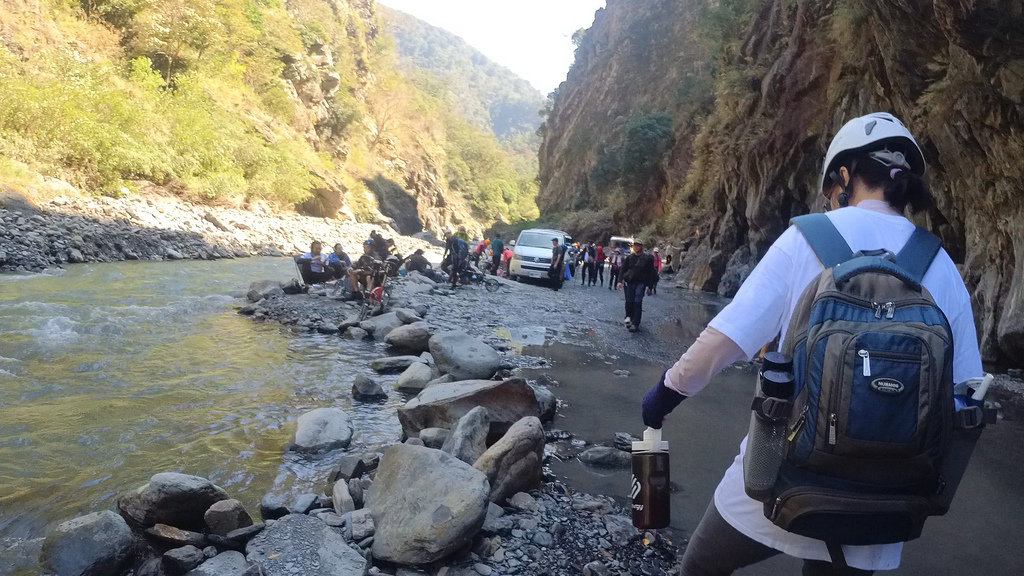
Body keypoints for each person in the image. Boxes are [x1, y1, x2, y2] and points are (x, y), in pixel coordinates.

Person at [640, 112, 983, 575]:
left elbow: (726, 338)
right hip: (887, 506)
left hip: (778, 479)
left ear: (844, 176)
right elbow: (967, 395)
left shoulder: (805, 238)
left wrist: (665, 394)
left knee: (700, 568)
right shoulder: (939, 263)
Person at [617, 239, 656, 331]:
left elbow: (651, 273)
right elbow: (623, 269)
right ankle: (629, 317)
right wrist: (619, 281)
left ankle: (635, 323)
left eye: (638, 245)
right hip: (630, 282)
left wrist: (650, 287)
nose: (636, 247)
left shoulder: (647, 259)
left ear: (642, 246)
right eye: (635, 245)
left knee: (637, 301)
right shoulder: (630, 258)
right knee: (629, 301)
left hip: (641, 283)